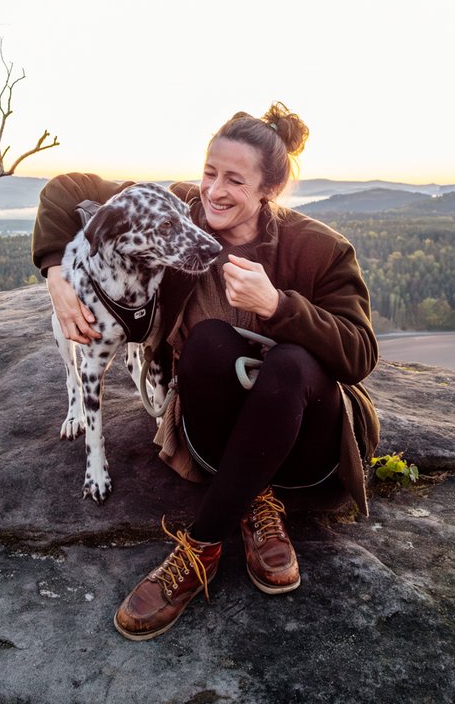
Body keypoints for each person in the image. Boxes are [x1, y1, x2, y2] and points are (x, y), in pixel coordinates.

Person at [32, 102, 380, 641]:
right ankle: (252, 497)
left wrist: (279, 307)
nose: (213, 190)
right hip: (212, 434)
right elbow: (64, 187)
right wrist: (56, 274)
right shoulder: (178, 211)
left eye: (234, 180)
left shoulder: (319, 248)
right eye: (209, 172)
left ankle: (202, 545)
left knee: (289, 362)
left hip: (303, 444)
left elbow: (359, 354)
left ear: (268, 190)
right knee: (210, 343)